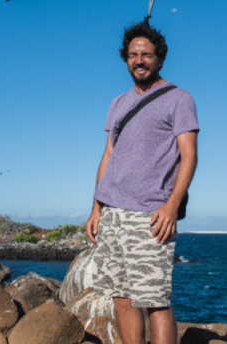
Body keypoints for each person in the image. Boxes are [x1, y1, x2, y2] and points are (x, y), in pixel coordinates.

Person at [85, 21, 198, 344]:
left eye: (147, 54)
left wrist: (172, 206)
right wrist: (96, 208)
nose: (140, 60)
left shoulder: (179, 98)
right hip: (112, 214)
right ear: (125, 59)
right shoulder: (117, 103)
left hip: (150, 213)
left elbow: (189, 156)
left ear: (160, 59)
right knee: (121, 297)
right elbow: (108, 156)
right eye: (133, 55)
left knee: (155, 300)